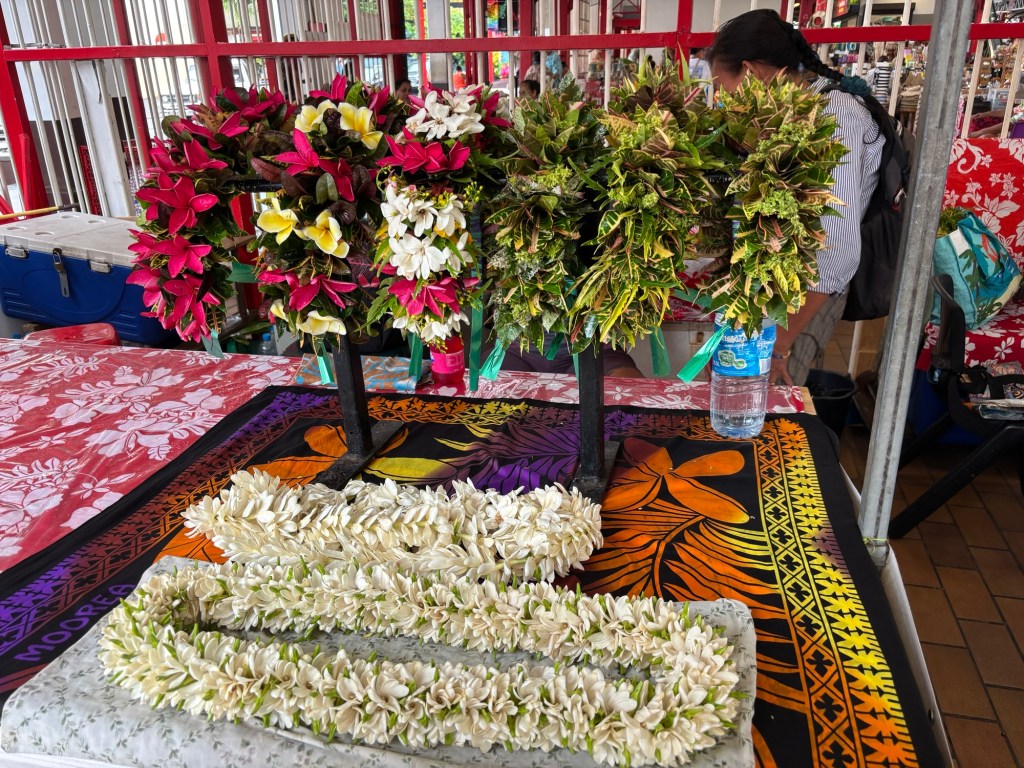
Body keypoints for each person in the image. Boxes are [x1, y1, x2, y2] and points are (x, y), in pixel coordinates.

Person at [707, 9, 885, 387]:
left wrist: (778, 345)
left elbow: (835, 249)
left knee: (765, 400)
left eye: (723, 88)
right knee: (737, 390)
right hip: (775, 284)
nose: (723, 99)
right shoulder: (788, 113)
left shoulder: (834, 116)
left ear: (750, 72)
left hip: (805, 295)